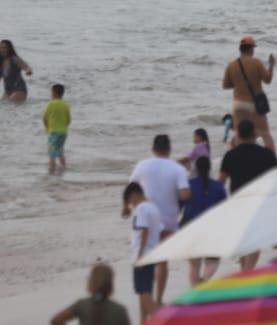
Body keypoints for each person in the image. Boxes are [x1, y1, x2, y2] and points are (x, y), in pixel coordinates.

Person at [128, 134, 188, 305]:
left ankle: (146, 298)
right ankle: (159, 299)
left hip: (145, 220)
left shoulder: (142, 165)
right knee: (162, 261)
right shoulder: (177, 168)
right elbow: (184, 194)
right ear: (169, 149)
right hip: (168, 220)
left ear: (153, 149)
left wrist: (133, 205)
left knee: (145, 257)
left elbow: (131, 188)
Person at [218, 119, 277, 269]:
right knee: (253, 238)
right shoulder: (266, 154)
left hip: (238, 201)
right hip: (259, 200)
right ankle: (247, 270)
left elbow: (221, 182)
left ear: (238, 135)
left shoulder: (230, 155)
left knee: (243, 237)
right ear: (254, 134)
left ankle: (245, 270)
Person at [222, 37, 276, 151]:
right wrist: (271, 66)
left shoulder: (231, 65)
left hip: (238, 104)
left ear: (240, 49)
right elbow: (267, 80)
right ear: (251, 49)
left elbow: (225, 85)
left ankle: (237, 158)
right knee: (265, 133)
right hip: (254, 104)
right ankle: (272, 159)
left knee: (239, 134)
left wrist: (238, 84)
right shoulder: (256, 62)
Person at [121, 182, 162, 321]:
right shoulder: (152, 208)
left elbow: (144, 231)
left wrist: (139, 256)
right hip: (151, 254)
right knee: (145, 293)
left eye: (129, 200)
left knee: (144, 294)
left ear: (134, 195)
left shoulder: (142, 209)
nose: (130, 204)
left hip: (143, 256)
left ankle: (163, 320)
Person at [48, 263, 131, 325]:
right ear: (110, 284)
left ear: (91, 282)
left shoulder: (82, 305)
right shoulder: (119, 310)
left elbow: (56, 320)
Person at [43, 84, 71, 176]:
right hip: (63, 132)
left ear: (54, 93)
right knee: (60, 152)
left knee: (52, 153)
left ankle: (51, 171)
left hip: (53, 132)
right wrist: (64, 127)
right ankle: (64, 168)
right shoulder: (65, 105)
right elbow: (68, 120)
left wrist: (47, 127)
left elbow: (44, 118)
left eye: (51, 92)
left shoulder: (50, 104)